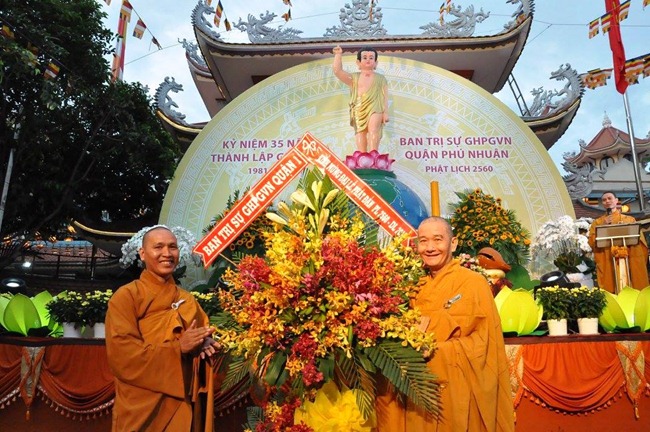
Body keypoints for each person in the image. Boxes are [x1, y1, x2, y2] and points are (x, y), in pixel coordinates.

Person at [377, 217, 515, 432]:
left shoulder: (473, 283)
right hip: (417, 387)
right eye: (423, 241)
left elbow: (485, 343)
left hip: (457, 387)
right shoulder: (411, 285)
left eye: (438, 239)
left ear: (453, 243)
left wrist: (438, 350)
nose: (430, 247)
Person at [105, 226, 220, 431]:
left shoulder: (187, 300)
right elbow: (122, 355)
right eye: (158, 247)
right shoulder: (126, 296)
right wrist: (178, 349)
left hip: (181, 402)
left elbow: (201, 336)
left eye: (172, 247)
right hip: (140, 405)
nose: (167, 253)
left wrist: (203, 344)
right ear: (142, 254)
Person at [587, 191, 649, 293]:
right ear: (602, 204)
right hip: (608, 259)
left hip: (628, 257)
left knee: (632, 283)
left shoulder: (629, 219)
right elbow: (592, 242)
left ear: (616, 201)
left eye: (609, 198)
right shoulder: (597, 222)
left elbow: (639, 240)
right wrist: (603, 225)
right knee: (611, 286)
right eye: (604, 200)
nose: (607, 201)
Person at [332, 45, 389, 153]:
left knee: (374, 130)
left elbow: (385, 96)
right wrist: (338, 55)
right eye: (365, 57)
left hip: (376, 107)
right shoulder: (353, 77)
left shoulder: (381, 78)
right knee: (360, 132)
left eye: (371, 58)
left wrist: (385, 112)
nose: (368, 60)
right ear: (358, 62)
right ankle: (362, 156)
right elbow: (337, 71)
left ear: (376, 63)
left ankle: (374, 154)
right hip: (359, 107)